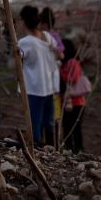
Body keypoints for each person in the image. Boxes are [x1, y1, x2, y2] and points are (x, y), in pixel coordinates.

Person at [17, 5, 57, 146]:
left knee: (35, 123)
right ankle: (52, 150)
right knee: (48, 122)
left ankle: (38, 150)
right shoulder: (48, 37)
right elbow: (57, 54)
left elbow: (16, 64)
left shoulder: (24, 43)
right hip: (48, 87)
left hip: (34, 89)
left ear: (23, 21)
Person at [39, 7, 65, 135]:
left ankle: (52, 142)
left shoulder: (52, 36)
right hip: (45, 82)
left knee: (51, 116)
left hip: (51, 81)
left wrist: (52, 47)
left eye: (42, 23)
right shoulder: (40, 36)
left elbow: (61, 55)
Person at [59, 38, 87, 152]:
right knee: (67, 126)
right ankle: (69, 147)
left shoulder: (73, 62)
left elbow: (73, 78)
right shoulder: (64, 63)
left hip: (76, 101)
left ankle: (78, 149)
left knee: (75, 127)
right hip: (67, 101)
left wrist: (61, 74)